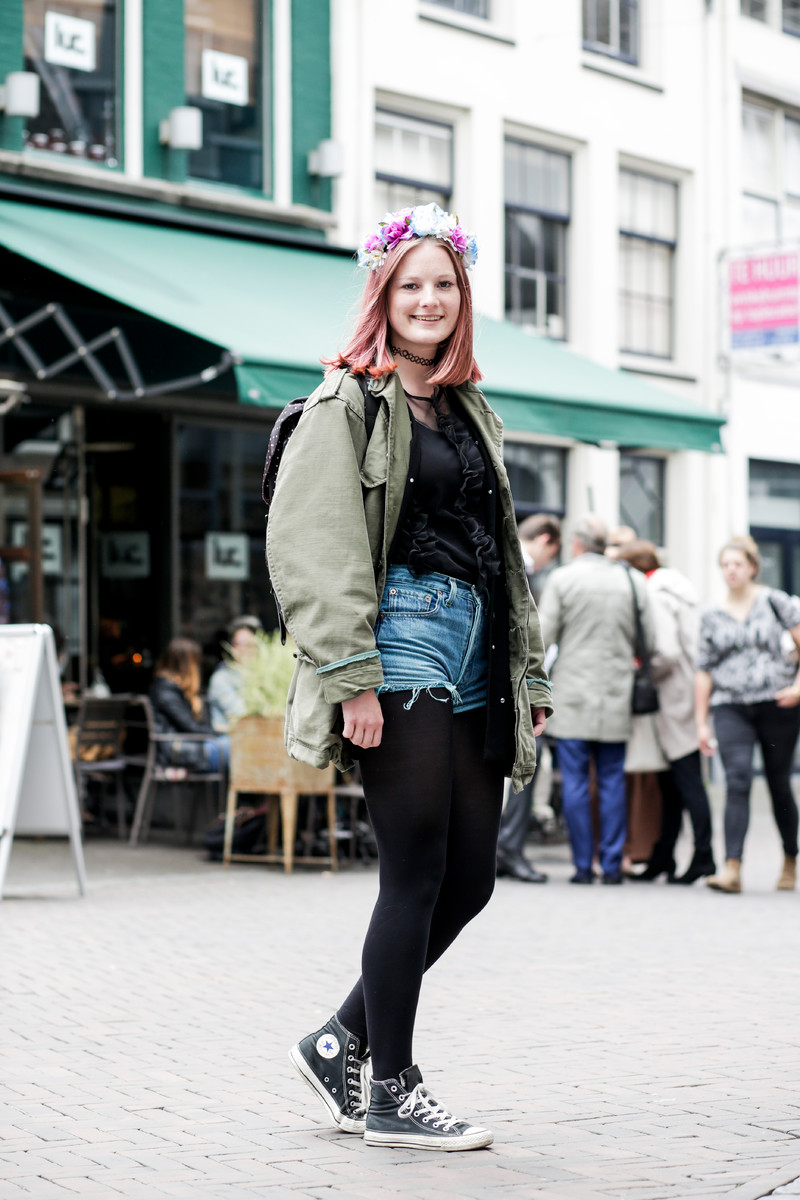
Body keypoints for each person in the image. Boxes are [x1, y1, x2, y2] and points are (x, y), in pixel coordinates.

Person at [266, 202, 553, 1152]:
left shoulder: (468, 409)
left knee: (471, 878)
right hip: (397, 639)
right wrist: (353, 675)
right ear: (381, 296)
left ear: (462, 297)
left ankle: (339, 1039)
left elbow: (501, 555)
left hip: (474, 647)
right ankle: (391, 1089)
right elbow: (312, 547)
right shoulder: (345, 403)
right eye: (409, 285)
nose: (427, 300)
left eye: (444, 285)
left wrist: (527, 679)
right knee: (415, 870)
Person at [538, 514, 653, 884]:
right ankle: (613, 864)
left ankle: (583, 865)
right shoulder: (633, 582)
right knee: (612, 778)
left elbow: (542, 637)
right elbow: (650, 642)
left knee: (574, 780)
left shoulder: (563, 579)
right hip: (616, 693)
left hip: (572, 693)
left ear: (577, 543)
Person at [696, 536, 800, 893]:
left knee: (777, 782)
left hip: (777, 704)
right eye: (725, 565)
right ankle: (732, 868)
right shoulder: (711, 614)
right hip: (730, 705)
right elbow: (703, 670)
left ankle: (790, 859)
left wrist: (798, 687)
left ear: (752, 567)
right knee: (737, 779)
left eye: (737, 564)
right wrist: (701, 722)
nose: (731, 571)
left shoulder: (775, 602)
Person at [616, 541, 715, 884]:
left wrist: (642, 671)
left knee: (686, 780)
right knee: (673, 781)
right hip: (685, 691)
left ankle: (703, 856)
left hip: (673, 696)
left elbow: (666, 653)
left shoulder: (656, 593)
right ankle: (664, 855)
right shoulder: (677, 588)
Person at [496, 514, 561, 882]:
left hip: (505, 679)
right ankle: (507, 848)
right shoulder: (519, 563)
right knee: (525, 761)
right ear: (546, 540)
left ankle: (502, 848)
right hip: (509, 683)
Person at [149, 637, 229, 774]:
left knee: (234, 745)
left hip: (189, 745)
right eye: (197, 661)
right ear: (186, 664)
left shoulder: (175, 689)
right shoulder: (166, 691)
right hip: (178, 750)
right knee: (234, 747)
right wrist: (219, 733)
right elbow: (191, 726)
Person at [207, 615, 262, 732]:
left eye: (250, 645)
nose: (245, 650)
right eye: (239, 645)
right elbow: (241, 713)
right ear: (231, 647)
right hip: (228, 737)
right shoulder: (221, 678)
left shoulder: (262, 674)